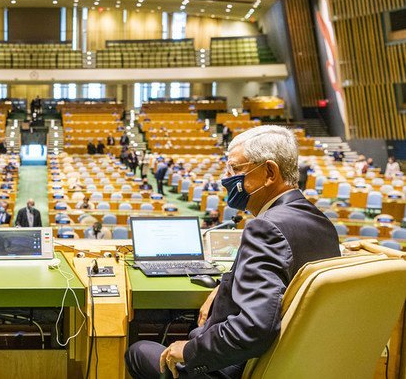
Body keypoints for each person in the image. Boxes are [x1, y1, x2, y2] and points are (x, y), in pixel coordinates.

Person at [125, 125, 341, 379]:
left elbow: (253, 328)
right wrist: (223, 286)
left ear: (270, 172)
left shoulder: (265, 227)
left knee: (139, 351)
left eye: (236, 170)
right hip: (294, 363)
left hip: (233, 366)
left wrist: (189, 351)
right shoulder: (321, 223)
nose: (227, 179)